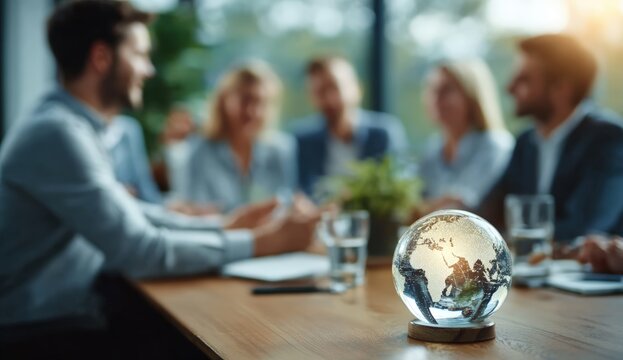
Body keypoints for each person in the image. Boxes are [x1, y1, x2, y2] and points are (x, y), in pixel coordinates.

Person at [0, 0, 318, 348]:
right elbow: (140, 251)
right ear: (102, 57)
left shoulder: (72, 127)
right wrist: (264, 242)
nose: (148, 69)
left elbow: (133, 214)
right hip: (41, 331)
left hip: (72, 311)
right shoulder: (58, 133)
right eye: (139, 54)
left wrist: (225, 226)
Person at [478, 34, 623, 242]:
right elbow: (488, 215)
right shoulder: (526, 142)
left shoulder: (608, 140)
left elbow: (584, 228)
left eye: (523, 79)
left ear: (561, 88)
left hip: (588, 273)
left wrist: (510, 239)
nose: (509, 88)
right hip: (532, 271)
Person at [179, 62, 298, 213]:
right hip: (217, 234)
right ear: (224, 101)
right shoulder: (200, 150)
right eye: (245, 100)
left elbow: (286, 204)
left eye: (260, 102)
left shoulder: (282, 149)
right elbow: (193, 209)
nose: (251, 111)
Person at [293, 56, 404, 195]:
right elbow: (299, 191)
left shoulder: (384, 133)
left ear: (357, 89)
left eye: (334, 87)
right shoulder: (302, 139)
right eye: (319, 91)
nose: (329, 99)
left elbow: (396, 191)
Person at [418, 59, 514, 211]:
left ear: (471, 96)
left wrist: (423, 207)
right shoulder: (433, 147)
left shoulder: (494, 144)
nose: (436, 98)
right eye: (432, 89)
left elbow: (459, 207)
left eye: (446, 90)